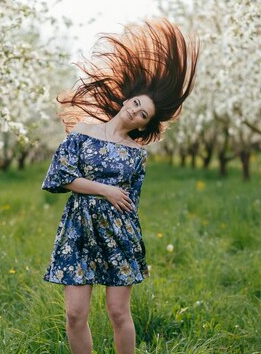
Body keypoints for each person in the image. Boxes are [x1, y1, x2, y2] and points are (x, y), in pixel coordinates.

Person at [41, 18, 199, 354]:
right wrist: (105, 189)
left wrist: (121, 214)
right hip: (79, 230)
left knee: (118, 312)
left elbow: (131, 202)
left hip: (118, 233)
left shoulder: (137, 154)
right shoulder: (83, 130)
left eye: (144, 115)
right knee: (75, 314)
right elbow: (60, 175)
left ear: (146, 125)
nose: (136, 112)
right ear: (127, 100)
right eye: (137, 104)